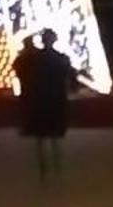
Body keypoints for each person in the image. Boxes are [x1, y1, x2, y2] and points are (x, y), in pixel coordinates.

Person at [12, 28, 76, 178]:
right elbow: (71, 77)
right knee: (53, 136)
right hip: (54, 100)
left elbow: (19, 70)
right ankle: (55, 166)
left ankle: (44, 169)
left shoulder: (33, 59)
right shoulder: (60, 58)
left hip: (40, 101)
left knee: (41, 137)